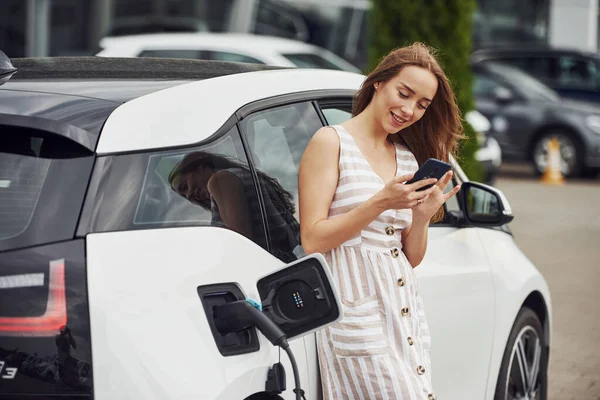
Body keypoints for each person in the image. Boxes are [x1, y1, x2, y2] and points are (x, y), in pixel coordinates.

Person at [298, 42, 463, 399]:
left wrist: (419, 219)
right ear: (379, 83)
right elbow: (312, 239)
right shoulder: (331, 142)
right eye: (404, 93)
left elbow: (411, 257)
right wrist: (379, 202)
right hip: (355, 313)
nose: (409, 110)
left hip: (403, 312)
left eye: (422, 104)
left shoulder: (405, 158)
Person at [168, 151, 301, 263]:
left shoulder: (221, 180)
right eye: (184, 196)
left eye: (185, 186)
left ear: (199, 167)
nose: (189, 195)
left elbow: (240, 245)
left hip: (268, 267)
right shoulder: (241, 176)